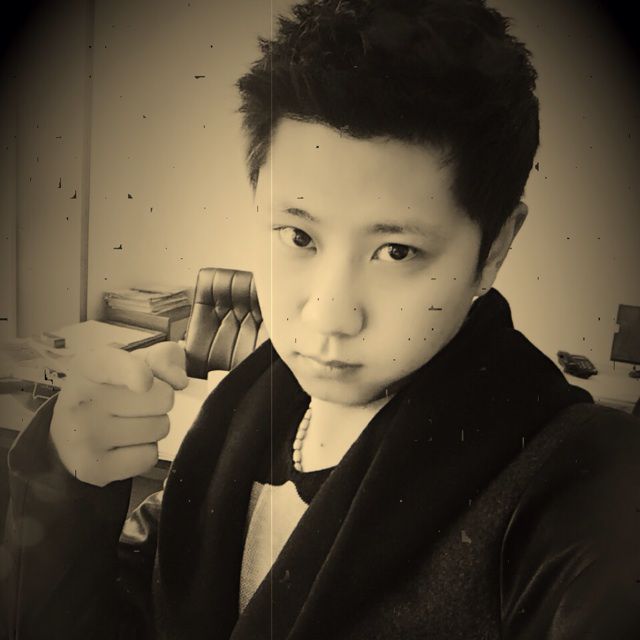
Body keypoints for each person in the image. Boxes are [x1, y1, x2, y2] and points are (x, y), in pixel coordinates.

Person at [2, 0, 640, 638]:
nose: (328, 316)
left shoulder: (579, 489)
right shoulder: (237, 419)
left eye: (397, 251)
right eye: (298, 236)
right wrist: (67, 482)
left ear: (495, 247)